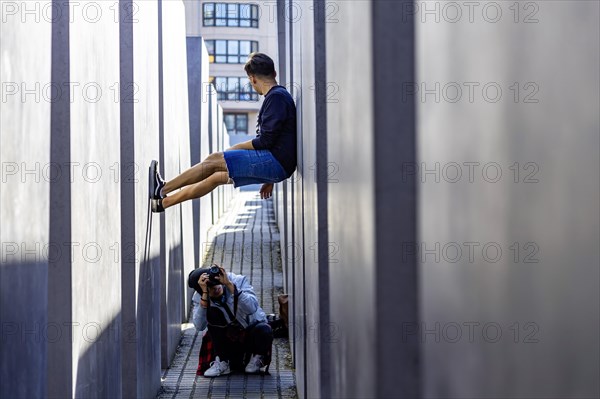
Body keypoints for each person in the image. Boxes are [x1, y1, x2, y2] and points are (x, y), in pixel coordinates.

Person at [150, 52, 297, 212]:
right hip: (277, 165)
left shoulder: (276, 98)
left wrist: (235, 148)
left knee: (214, 160)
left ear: (252, 79)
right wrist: (269, 179)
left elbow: (266, 141)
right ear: (274, 73)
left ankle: (162, 189)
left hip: (276, 164)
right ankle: (162, 204)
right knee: (215, 178)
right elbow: (279, 140)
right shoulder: (278, 97)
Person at [188, 265, 273, 377]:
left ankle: (257, 358)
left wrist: (230, 286)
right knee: (212, 314)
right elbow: (199, 326)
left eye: (216, 284)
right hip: (228, 339)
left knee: (264, 329)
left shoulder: (237, 281)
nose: (216, 288)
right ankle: (223, 361)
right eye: (211, 288)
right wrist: (204, 300)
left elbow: (252, 308)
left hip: (251, 332)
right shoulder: (200, 296)